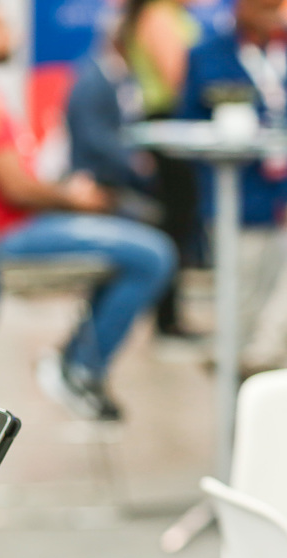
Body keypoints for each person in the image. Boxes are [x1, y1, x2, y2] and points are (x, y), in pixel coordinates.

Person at [0, 0, 175, 421]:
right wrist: (72, 198)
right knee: (152, 254)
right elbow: (16, 187)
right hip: (9, 234)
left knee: (144, 237)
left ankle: (80, 361)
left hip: (31, 219)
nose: (9, 34)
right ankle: (80, 364)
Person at [179, 0, 287, 372]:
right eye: (264, 7)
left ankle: (262, 360)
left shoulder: (280, 51)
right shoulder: (207, 55)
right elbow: (188, 124)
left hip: (280, 195)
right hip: (236, 194)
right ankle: (237, 375)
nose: (272, 15)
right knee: (240, 294)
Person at [119, 0, 202, 338]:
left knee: (178, 221)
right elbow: (178, 79)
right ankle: (167, 318)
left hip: (171, 124)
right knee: (176, 222)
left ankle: (169, 314)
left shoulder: (168, 15)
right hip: (169, 124)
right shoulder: (158, 15)